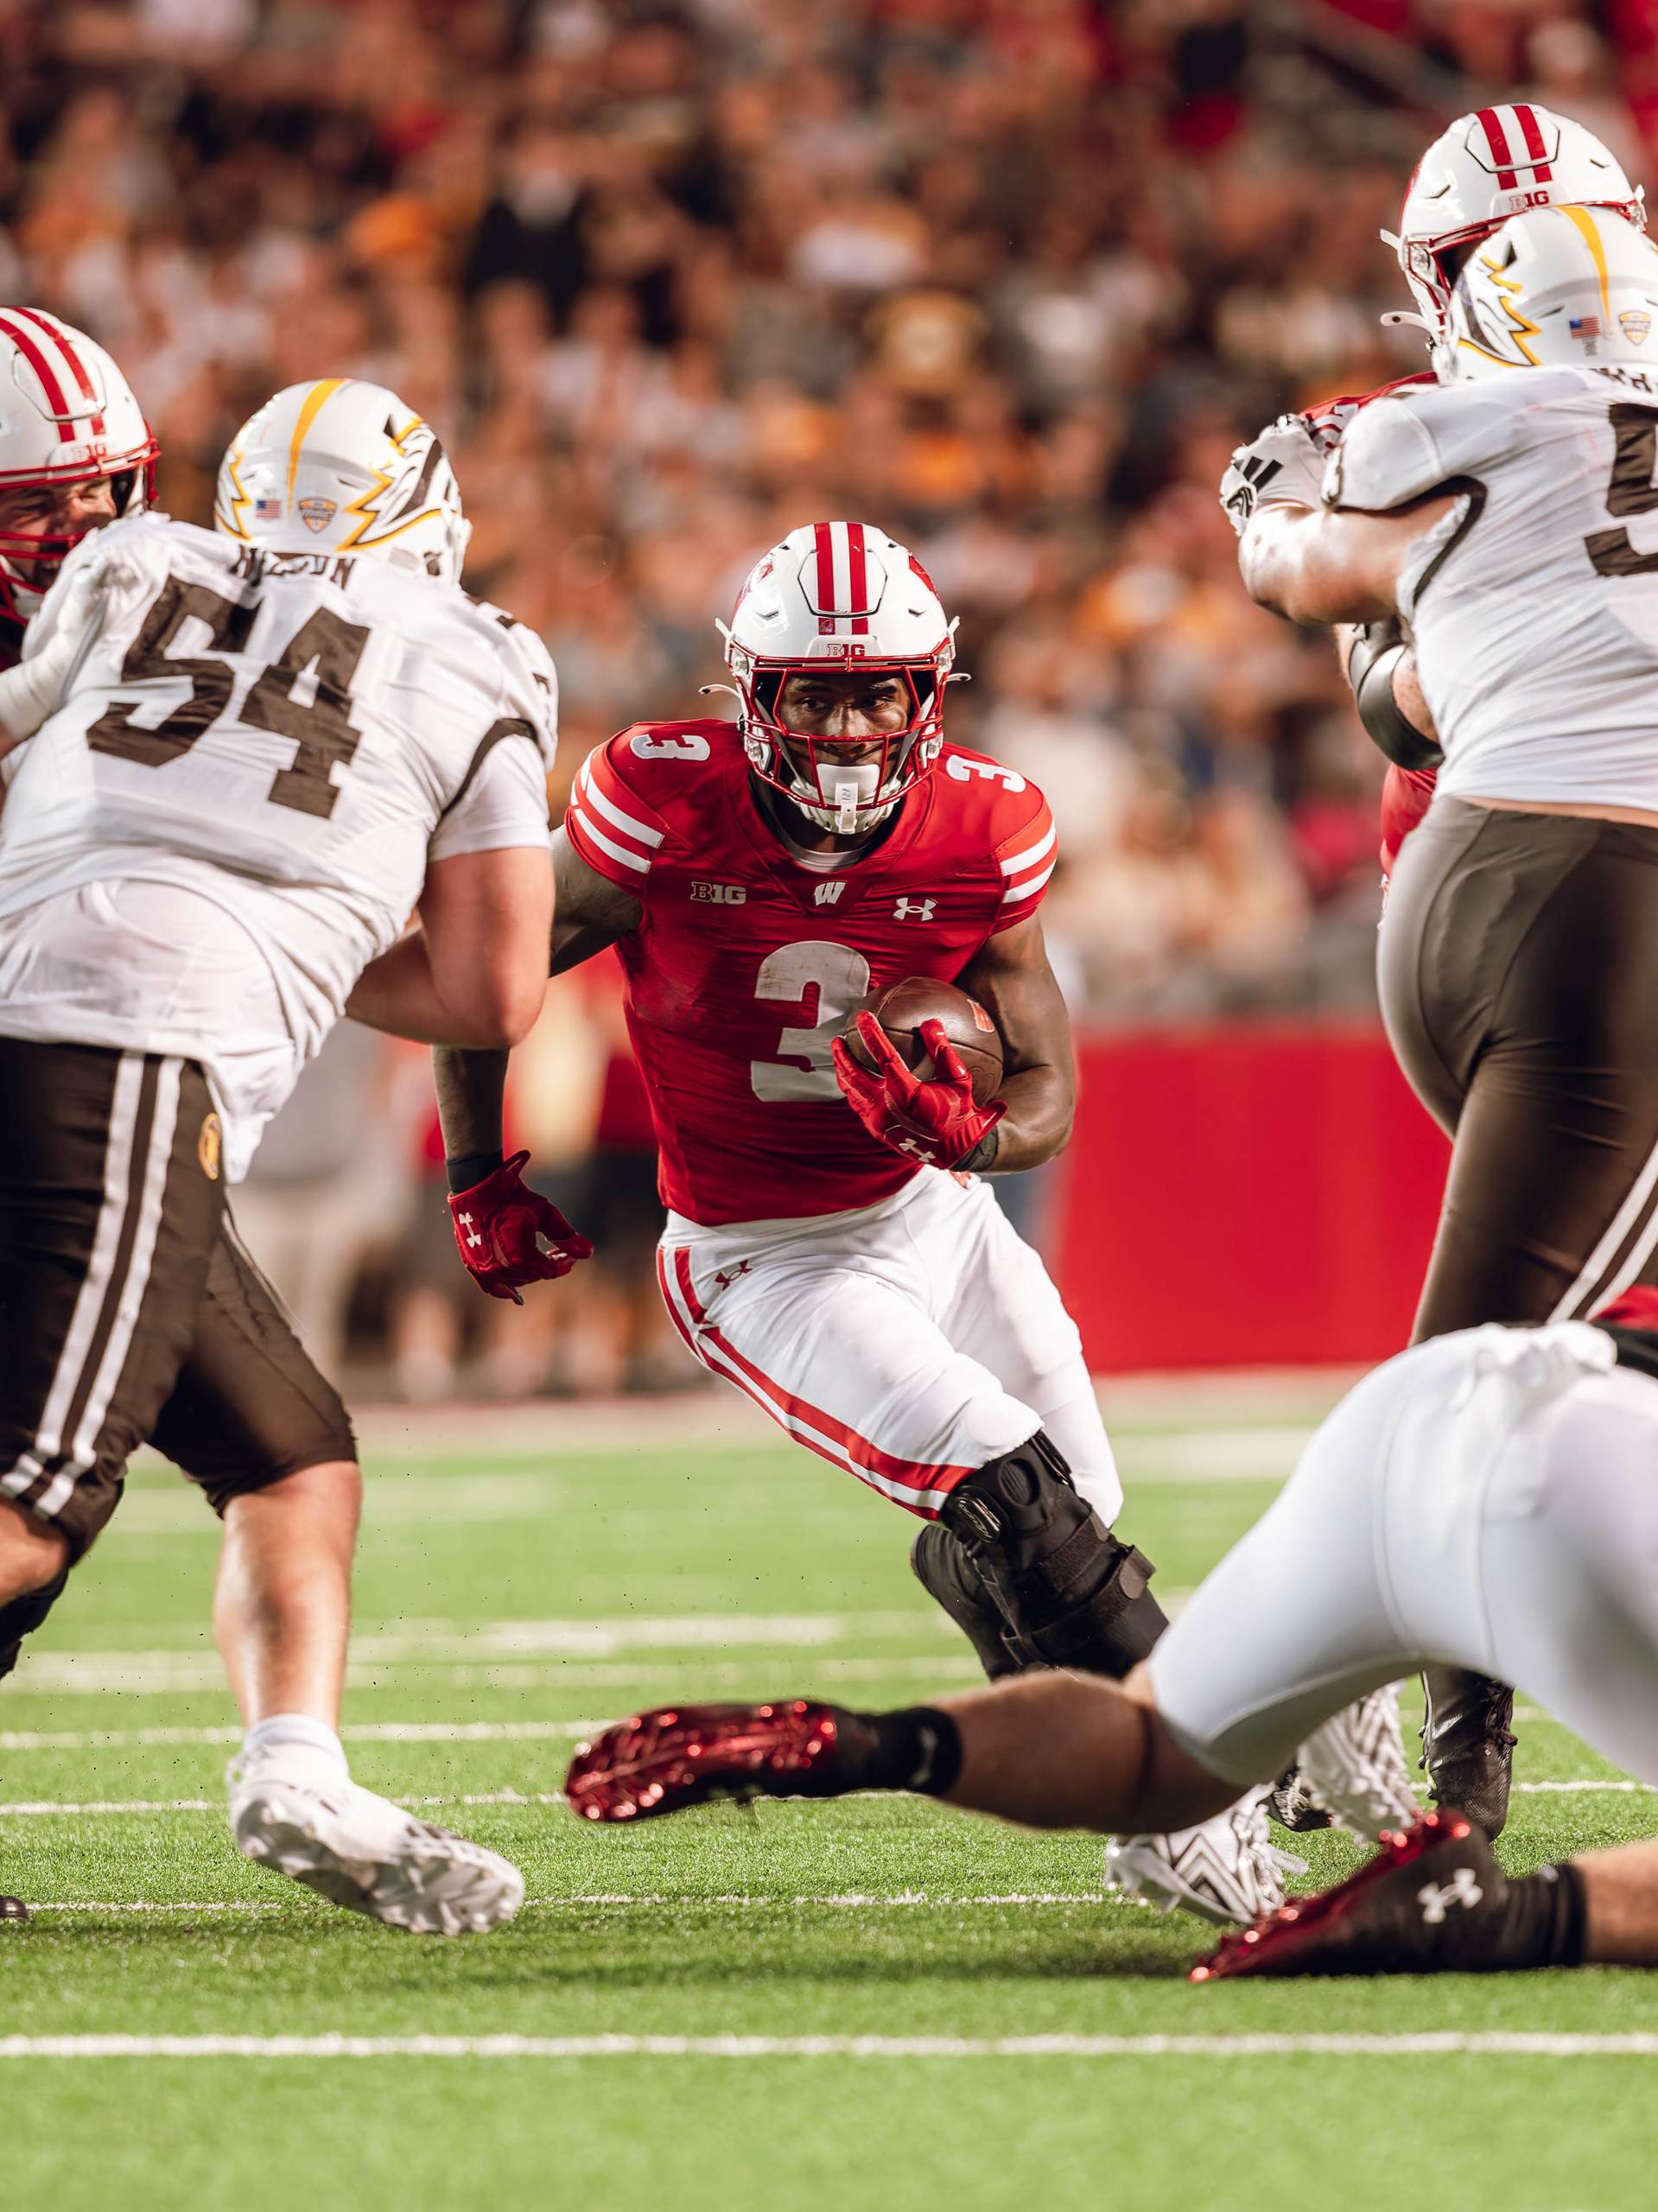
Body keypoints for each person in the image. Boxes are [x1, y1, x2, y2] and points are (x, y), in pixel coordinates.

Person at [426, 518, 1409, 1924]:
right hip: (761, 1255)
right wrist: (479, 1172)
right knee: (1010, 1485)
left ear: (923, 693)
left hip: (929, 1215)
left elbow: (1044, 1068)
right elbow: (491, 979)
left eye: (872, 688)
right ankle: (1200, 1799)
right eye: (812, 690)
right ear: (751, 694)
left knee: (1064, 1520)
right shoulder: (658, 799)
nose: (842, 721)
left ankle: (1195, 1740)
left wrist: (978, 1134)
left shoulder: (985, 824)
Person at [0, 370, 574, 1932]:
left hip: (44, 1016)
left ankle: (295, 1768)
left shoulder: (130, 564)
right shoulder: (482, 658)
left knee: (290, 1454)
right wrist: (295, 943)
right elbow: (490, 985)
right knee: (36, 1503)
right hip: (120, 1052)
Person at [563, 1290, 1658, 1981]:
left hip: (1419, 1410)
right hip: (1605, 1479)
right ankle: (1489, 1913)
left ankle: (852, 1743)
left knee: (1156, 1749)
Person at [1219, 108, 1650, 1839]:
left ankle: (1325, 1699)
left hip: (1483, 874)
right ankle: (1362, 1730)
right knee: (1489, 1364)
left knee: (1526, 1355)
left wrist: (1285, 512)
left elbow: (1370, 672)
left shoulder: (1411, 425)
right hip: (1596, 901)